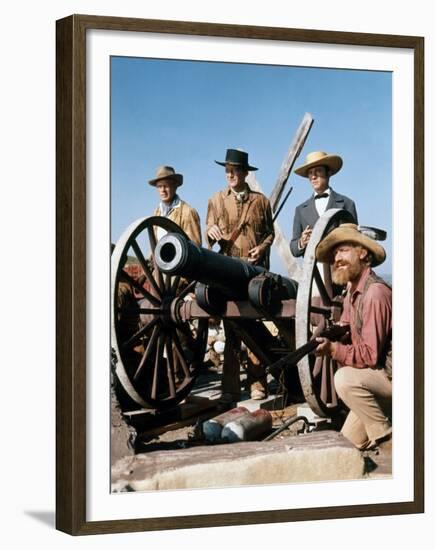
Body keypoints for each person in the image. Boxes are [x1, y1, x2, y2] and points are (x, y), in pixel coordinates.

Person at [314, 223, 392, 450]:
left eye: (344, 250)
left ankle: (388, 439)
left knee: (345, 379)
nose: (337, 258)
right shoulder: (352, 292)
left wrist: (333, 349)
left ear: (363, 252)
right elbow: (347, 325)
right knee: (346, 447)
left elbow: (369, 354)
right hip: (376, 380)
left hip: (395, 378)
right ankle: (382, 422)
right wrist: (336, 330)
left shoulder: (375, 293)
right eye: (335, 253)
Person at [206, 148, 275, 403]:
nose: (230, 174)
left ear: (246, 173)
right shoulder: (215, 200)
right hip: (226, 270)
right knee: (231, 324)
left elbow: (270, 233)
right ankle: (230, 387)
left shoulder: (261, 201)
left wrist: (263, 247)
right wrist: (210, 231)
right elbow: (209, 234)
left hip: (254, 272)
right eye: (227, 170)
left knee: (253, 324)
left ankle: (258, 384)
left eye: (235, 170)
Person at [290, 151, 358, 257]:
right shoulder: (300, 210)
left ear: (329, 173)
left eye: (318, 171)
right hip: (313, 271)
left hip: (339, 268)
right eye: (310, 173)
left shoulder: (347, 203)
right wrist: (301, 242)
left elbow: (355, 241)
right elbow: (294, 249)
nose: (313, 177)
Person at [149, 165, 201, 245]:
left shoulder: (187, 212)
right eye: (159, 186)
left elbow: (195, 247)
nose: (163, 190)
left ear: (174, 186)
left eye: (166, 186)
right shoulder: (157, 212)